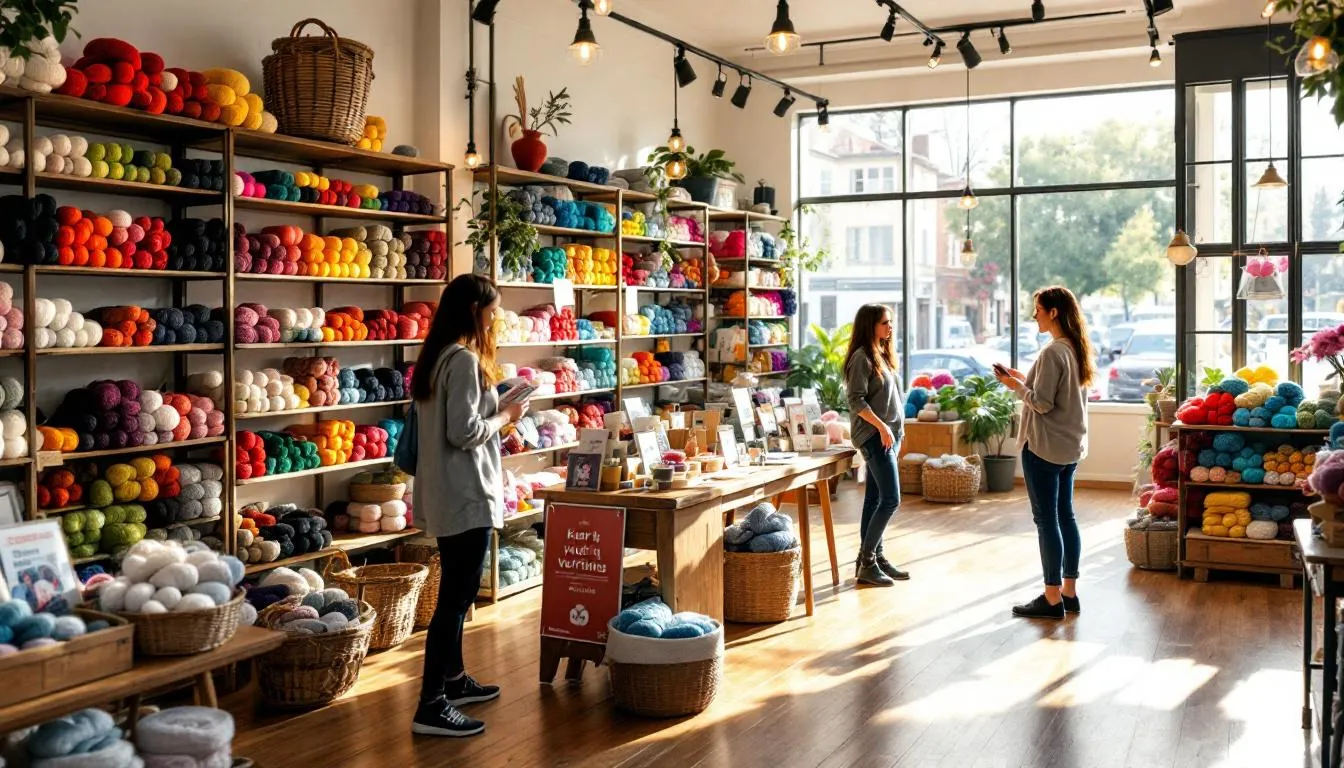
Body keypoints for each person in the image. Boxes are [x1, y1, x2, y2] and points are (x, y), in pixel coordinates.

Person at [410, 274, 529, 737]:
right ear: (474, 311)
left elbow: (451, 420)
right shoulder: (462, 360)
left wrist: (495, 399)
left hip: (446, 490)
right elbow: (464, 433)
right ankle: (431, 705)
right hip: (465, 492)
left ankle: (455, 682)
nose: (496, 317)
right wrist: (506, 414)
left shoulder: (438, 356)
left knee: (455, 597)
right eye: (492, 308)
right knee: (455, 601)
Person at [995, 285, 1092, 620]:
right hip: (1069, 448)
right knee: (1066, 516)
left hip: (1045, 448)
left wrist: (1015, 387)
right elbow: (1056, 392)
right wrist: (1023, 379)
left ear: (1053, 312)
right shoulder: (1074, 349)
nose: (1033, 315)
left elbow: (1042, 402)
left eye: (1037, 309)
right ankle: (1069, 592)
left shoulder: (1052, 352)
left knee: (1046, 519)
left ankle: (1051, 598)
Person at [844, 303, 908, 586]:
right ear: (870, 325)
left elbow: (894, 400)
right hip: (873, 436)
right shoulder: (862, 358)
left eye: (891, 322)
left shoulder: (882, 355)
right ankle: (868, 561)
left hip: (889, 436)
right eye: (885, 322)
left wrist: (897, 433)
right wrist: (882, 428)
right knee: (891, 499)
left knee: (874, 500)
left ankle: (873, 558)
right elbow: (856, 400)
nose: (890, 327)